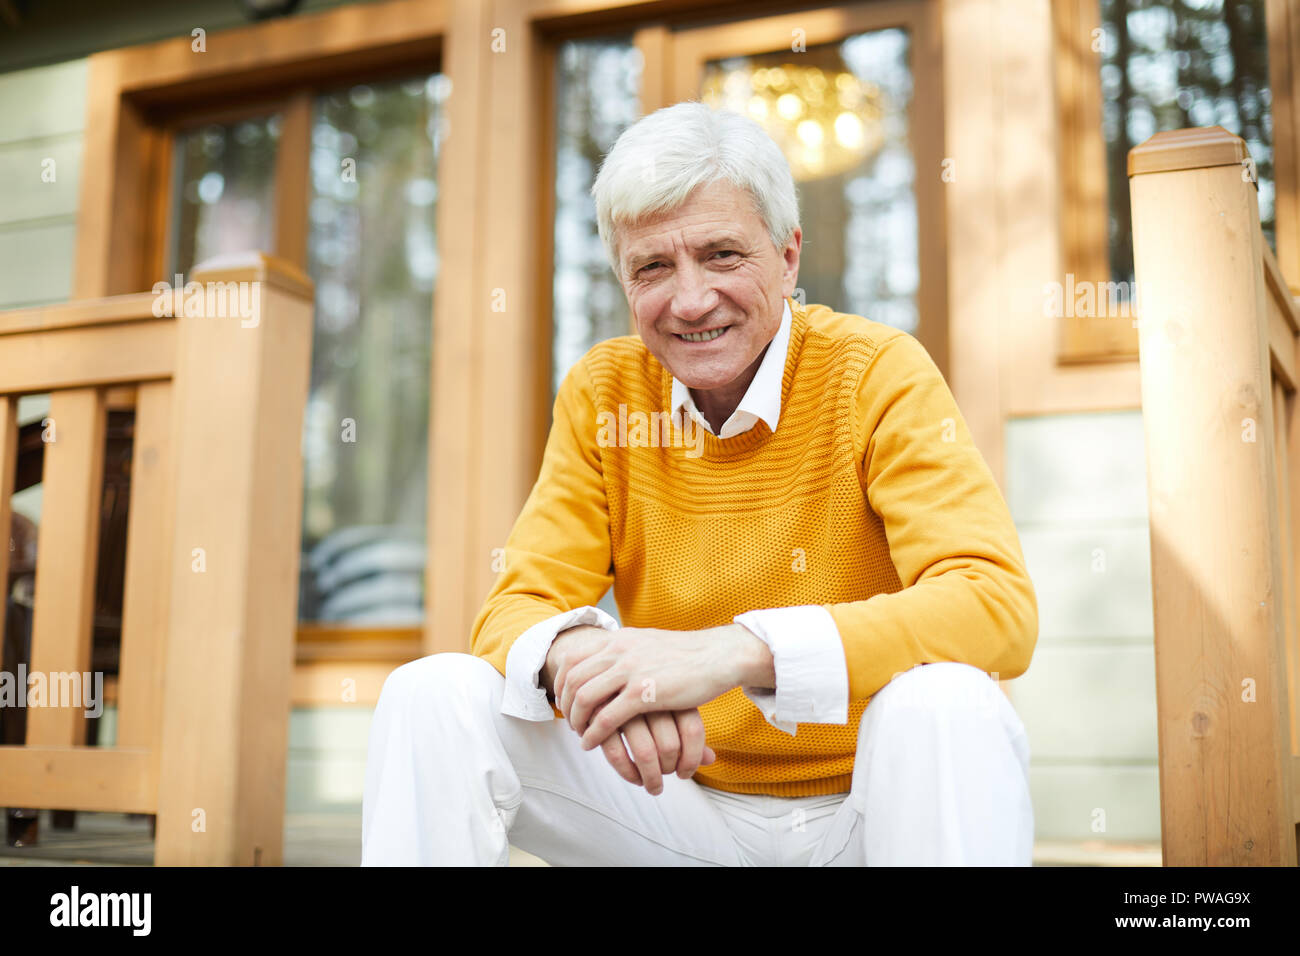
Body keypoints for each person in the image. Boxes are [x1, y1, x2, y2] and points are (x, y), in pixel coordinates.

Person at [361, 101, 1037, 866]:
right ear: (623, 279)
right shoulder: (604, 393)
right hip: (676, 810)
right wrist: (598, 667)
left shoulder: (875, 372)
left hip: (870, 818)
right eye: (653, 266)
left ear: (787, 257)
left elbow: (993, 606)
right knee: (432, 693)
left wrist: (735, 653)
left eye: (722, 255)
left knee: (948, 702)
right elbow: (516, 609)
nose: (689, 301)